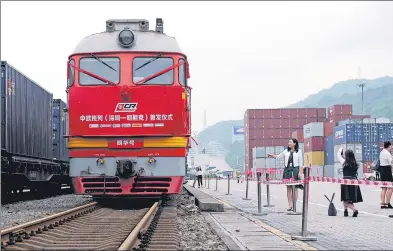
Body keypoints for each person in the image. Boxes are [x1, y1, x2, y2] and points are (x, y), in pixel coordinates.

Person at [268, 138, 303, 211]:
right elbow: (278, 156)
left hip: (295, 170)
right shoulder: (286, 151)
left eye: (290, 142)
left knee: (295, 188)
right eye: (289, 142)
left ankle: (294, 204)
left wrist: (300, 172)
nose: (289, 143)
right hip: (287, 170)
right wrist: (272, 155)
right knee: (289, 188)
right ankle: (290, 205)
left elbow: (301, 163)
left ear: (295, 143)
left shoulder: (299, 151)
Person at [337, 148, 363, 217]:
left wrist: (341, 148)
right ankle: (345, 211)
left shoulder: (344, 163)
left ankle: (354, 210)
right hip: (354, 182)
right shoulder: (355, 164)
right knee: (349, 198)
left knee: (345, 198)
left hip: (346, 182)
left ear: (346, 156)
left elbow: (338, 155)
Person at [379, 141, 393, 209]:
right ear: (389, 146)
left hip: (382, 171)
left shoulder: (381, 152)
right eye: (391, 146)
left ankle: (382, 204)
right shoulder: (387, 153)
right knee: (390, 188)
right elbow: (391, 163)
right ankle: (387, 203)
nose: (392, 147)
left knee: (383, 188)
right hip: (387, 171)